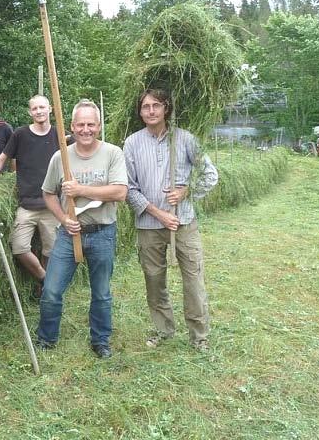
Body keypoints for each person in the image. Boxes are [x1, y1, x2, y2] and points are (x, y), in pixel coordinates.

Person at [123, 88, 218, 352]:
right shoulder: (131, 143)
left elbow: (209, 174)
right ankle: (163, 329)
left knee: (193, 279)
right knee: (154, 279)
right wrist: (158, 212)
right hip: (149, 225)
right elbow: (128, 188)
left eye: (156, 106)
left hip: (183, 223)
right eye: (145, 107)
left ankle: (199, 336)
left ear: (166, 109)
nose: (151, 111)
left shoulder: (185, 139)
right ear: (140, 112)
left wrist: (187, 191)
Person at [36, 99, 127, 359]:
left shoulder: (112, 153)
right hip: (69, 234)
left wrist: (81, 190)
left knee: (101, 292)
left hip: (102, 233)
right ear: (72, 127)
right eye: (80, 124)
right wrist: (64, 219)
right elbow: (48, 194)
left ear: (98, 126)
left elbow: (120, 192)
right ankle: (46, 338)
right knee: (51, 290)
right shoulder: (61, 156)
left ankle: (100, 341)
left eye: (91, 124)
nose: (86, 129)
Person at [0, 95, 61, 298]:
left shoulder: (59, 134)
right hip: (26, 205)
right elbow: (2, 159)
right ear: (30, 112)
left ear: (50, 109)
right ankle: (46, 280)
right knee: (19, 248)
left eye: (42, 107)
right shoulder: (20, 134)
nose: (39, 111)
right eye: (35, 108)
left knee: (51, 252)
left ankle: (45, 291)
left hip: (52, 205)